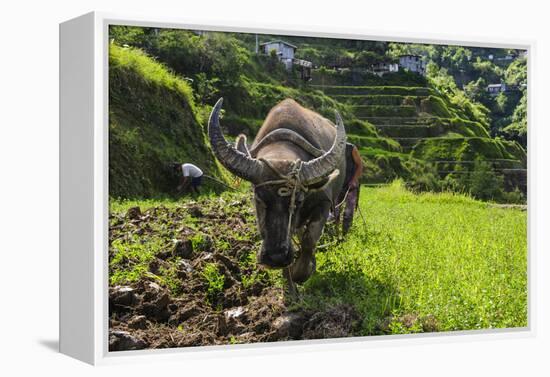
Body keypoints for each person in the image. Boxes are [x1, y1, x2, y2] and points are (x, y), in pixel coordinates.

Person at [334, 143, 363, 235]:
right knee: (334, 211)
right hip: (337, 185)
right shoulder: (331, 148)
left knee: (348, 212)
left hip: (350, 184)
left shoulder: (351, 148)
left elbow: (360, 165)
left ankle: (345, 235)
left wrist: (354, 180)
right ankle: (334, 233)